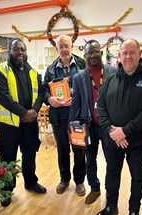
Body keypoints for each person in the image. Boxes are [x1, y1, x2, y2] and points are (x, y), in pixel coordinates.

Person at [95, 39, 142, 215]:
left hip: (137, 141)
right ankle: (110, 206)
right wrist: (112, 131)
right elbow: (101, 107)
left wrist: (125, 131)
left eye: (132, 52)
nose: (128, 56)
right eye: (124, 53)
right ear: (119, 56)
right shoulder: (110, 80)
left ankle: (133, 211)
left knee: (137, 176)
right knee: (111, 173)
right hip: (112, 139)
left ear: (139, 53)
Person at [0, 38, 46, 207]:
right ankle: (6, 190)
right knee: (7, 158)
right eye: (16, 50)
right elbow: (2, 96)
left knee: (30, 154)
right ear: (10, 51)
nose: (20, 53)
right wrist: (24, 113)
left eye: (22, 49)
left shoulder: (33, 72)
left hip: (29, 124)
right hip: (9, 125)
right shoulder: (0, 72)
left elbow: (41, 93)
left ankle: (30, 182)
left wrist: (34, 111)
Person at [69, 39, 117, 204]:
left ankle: (111, 193)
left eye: (96, 51)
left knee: (111, 160)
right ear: (85, 55)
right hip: (88, 126)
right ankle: (94, 188)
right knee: (90, 159)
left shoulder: (114, 72)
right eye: (89, 52)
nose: (93, 55)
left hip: (108, 126)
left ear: (101, 53)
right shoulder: (79, 77)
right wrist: (71, 128)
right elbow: (75, 103)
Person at [43, 34, 86, 196]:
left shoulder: (82, 64)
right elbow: (44, 89)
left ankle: (80, 181)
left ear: (72, 47)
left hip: (78, 117)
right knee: (62, 149)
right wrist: (50, 99)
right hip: (59, 117)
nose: (64, 49)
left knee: (79, 150)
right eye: (61, 46)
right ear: (57, 49)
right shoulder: (51, 69)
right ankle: (64, 179)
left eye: (67, 46)